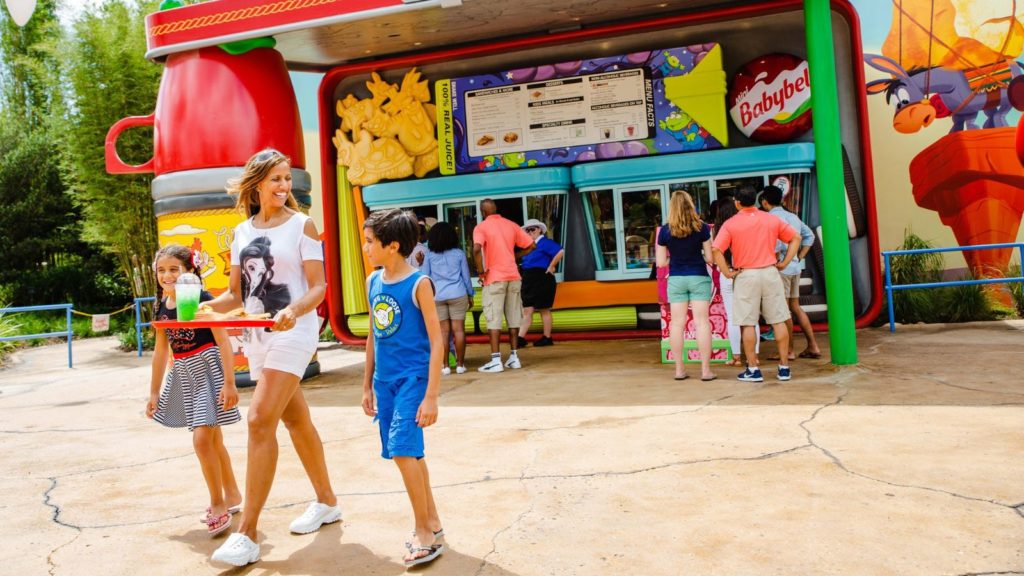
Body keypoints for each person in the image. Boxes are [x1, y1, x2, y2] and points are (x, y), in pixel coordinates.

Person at [207, 149, 340, 567]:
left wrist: (292, 311)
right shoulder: (242, 232)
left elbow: (318, 287)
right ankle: (327, 501)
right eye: (275, 180)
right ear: (257, 184)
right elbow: (236, 296)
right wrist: (202, 308)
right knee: (295, 419)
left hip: (294, 331)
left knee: (259, 418)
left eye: (286, 179)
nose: (283, 187)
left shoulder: (303, 225)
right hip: (257, 337)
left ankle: (246, 533)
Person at [361, 208, 445, 568]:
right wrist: (367, 385)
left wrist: (431, 396)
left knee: (400, 450)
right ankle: (435, 524)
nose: (365, 248)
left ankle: (423, 531)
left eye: (369, 241)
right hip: (386, 383)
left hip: (414, 380)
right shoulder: (372, 282)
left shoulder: (418, 284)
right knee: (413, 453)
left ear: (392, 245)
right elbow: (372, 336)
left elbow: (437, 342)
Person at [148, 243, 242, 537]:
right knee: (214, 443)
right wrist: (153, 392)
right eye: (162, 270)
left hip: (210, 369)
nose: (167, 276)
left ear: (190, 271)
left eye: (174, 270)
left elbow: (223, 341)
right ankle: (233, 495)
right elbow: (161, 352)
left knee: (203, 441)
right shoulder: (163, 306)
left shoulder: (203, 301)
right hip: (185, 371)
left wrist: (230, 382)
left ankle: (218, 505)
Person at [711, 185, 800, 382]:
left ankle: (753, 369)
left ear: (737, 202)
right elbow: (796, 237)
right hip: (770, 272)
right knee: (778, 320)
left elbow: (716, 250)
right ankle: (784, 368)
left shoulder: (731, 223)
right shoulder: (771, 219)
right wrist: (785, 262)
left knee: (747, 322)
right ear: (756, 200)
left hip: (745, 275)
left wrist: (727, 272)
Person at [655, 191, 716, 381]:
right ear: (691, 205)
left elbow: (660, 263)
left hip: (676, 279)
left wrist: (675, 255)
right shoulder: (703, 228)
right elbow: (710, 258)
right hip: (698, 276)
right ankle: (705, 371)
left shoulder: (665, 231)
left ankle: (679, 370)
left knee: (677, 324)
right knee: (702, 323)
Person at [758, 185, 822, 361]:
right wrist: (799, 256)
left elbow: (776, 245)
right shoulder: (792, 216)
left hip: (781, 269)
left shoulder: (769, 219)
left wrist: (780, 258)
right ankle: (812, 345)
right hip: (795, 268)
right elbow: (809, 236)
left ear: (764, 202)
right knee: (795, 307)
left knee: (784, 311)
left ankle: (788, 351)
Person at [472, 198, 535, 372]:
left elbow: (477, 249)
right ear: (496, 209)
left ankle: (496, 360)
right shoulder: (511, 225)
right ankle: (514, 357)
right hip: (513, 276)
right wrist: (514, 257)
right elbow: (532, 245)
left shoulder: (481, 227)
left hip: (494, 278)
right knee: (514, 317)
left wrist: (481, 271)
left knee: (494, 318)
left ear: (483, 212)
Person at [420, 221, 475, 374]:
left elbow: (425, 277)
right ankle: (460, 365)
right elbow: (466, 277)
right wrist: (470, 294)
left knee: (443, 333)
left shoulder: (429, 256)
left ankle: (445, 366)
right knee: (459, 331)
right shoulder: (459, 254)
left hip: (437, 296)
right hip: (458, 294)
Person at [713, 201, 759, 367]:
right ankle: (755, 356)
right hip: (745, 272)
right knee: (752, 317)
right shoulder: (744, 227)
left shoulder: (717, 230)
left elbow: (714, 254)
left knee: (732, 318)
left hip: (727, 274)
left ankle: (737, 357)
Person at [516, 218, 564, 348]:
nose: (530, 232)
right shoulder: (527, 245)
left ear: (540, 230)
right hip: (528, 278)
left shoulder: (545, 242)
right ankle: (520, 338)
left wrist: (551, 266)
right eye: (527, 230)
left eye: (533, 229)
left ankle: (547, 337)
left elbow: (560, 251)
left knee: (544, 309)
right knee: (527, 309)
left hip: (542, 277)